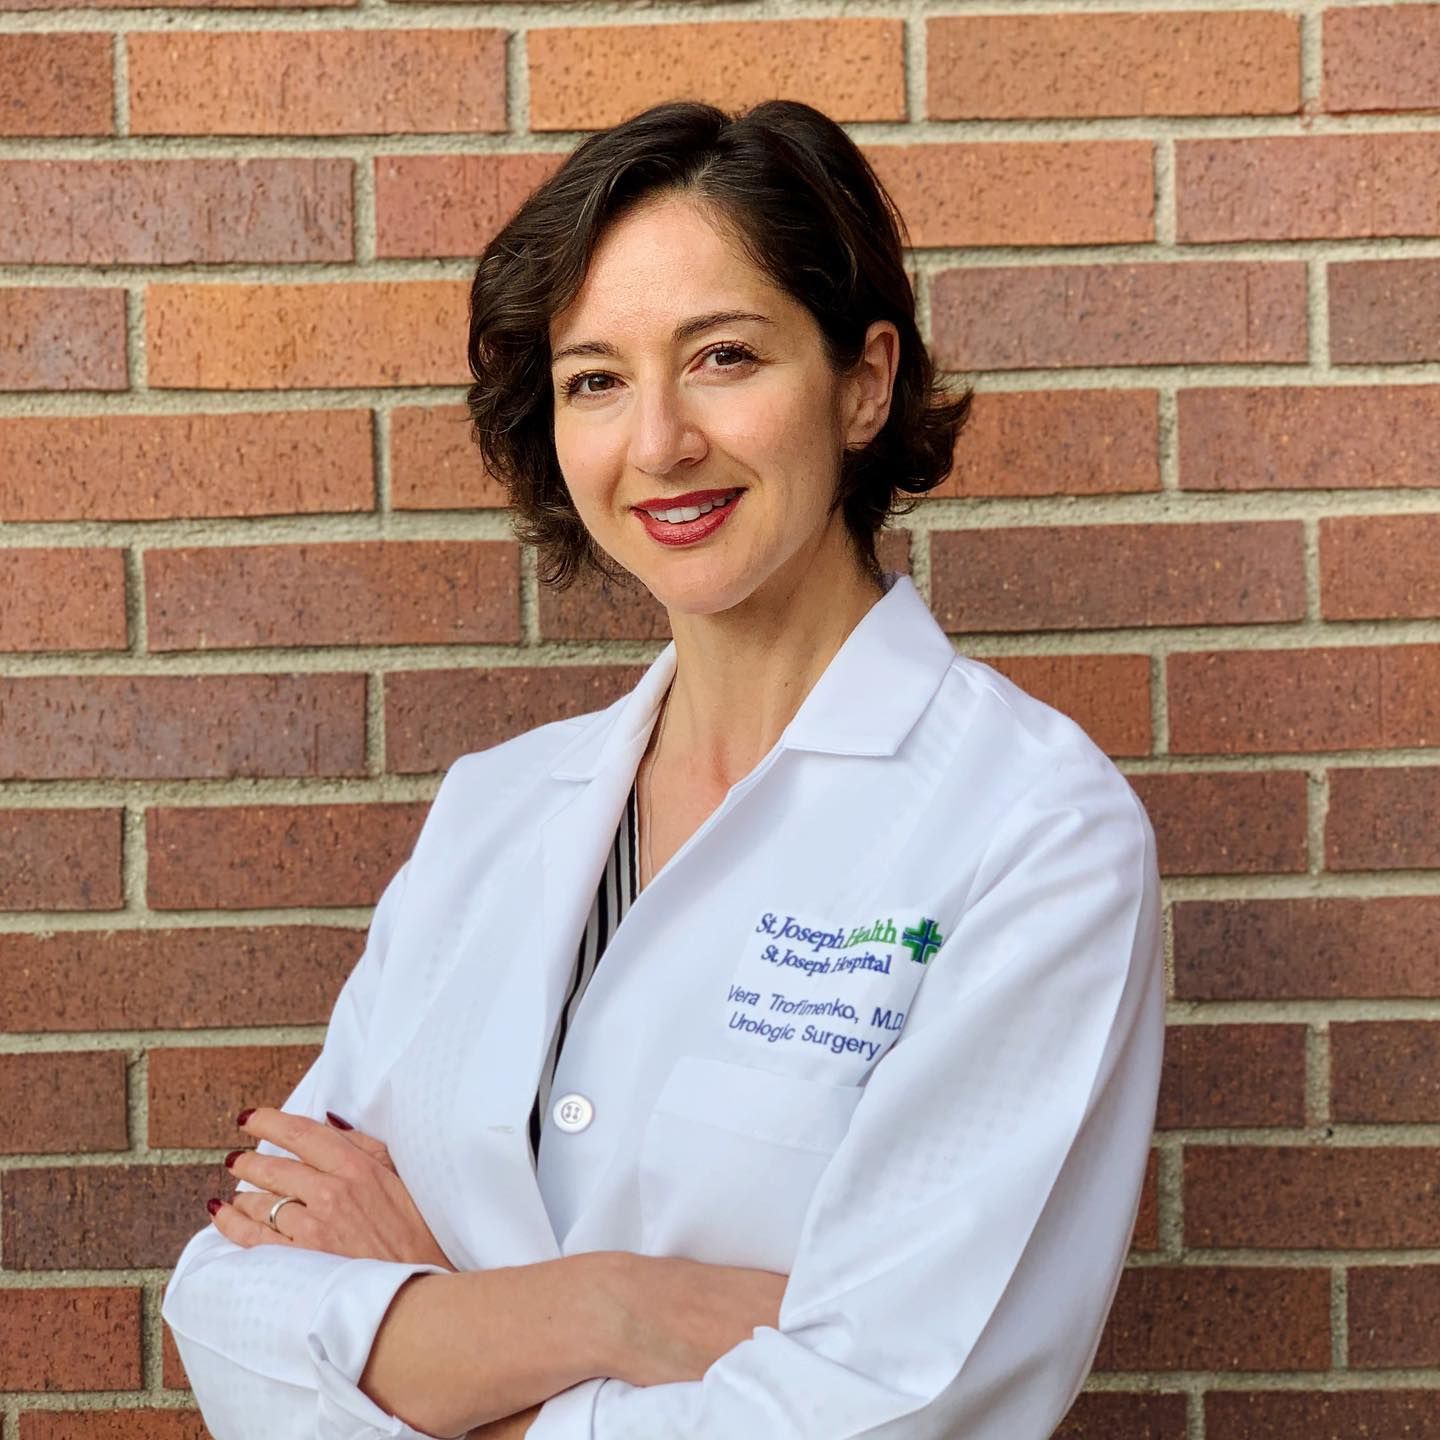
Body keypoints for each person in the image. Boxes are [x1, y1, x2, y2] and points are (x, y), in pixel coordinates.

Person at [162, 97, 1164, 1440]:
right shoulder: (498, 811)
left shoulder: (1034, 831)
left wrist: (443, 1346)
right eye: (595, 379)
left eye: (724, 356)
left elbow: (889, 1407)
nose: (658, 444)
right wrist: (603, 1310)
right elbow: (232, 1308)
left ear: (864, 382)